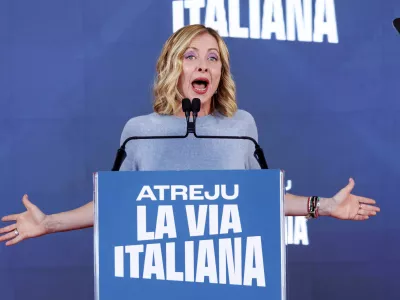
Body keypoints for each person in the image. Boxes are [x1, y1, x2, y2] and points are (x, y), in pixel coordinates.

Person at [0, 24, 380, 247]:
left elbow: (265, 197)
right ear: (173, 66)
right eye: (191, 55)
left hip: (227, 276)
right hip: (158, 275)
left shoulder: (242, 127)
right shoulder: (138, 132)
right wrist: (48, 223)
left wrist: (326, 205)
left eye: (213, 57)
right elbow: (111, 203)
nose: (203, 64)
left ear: (221, 72)